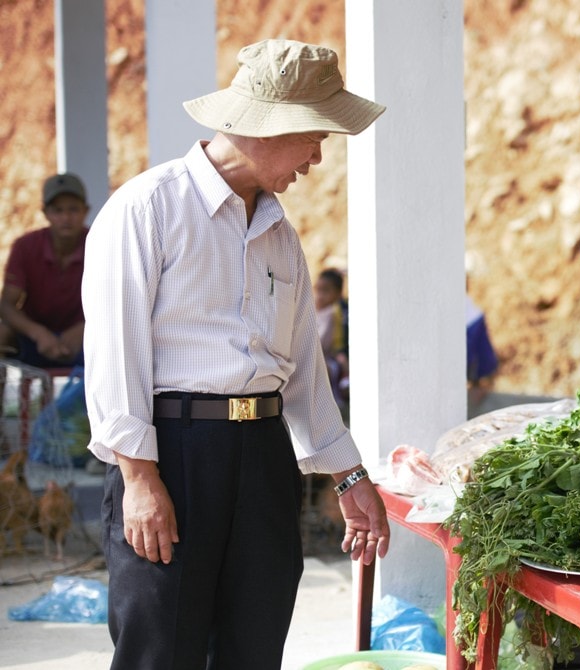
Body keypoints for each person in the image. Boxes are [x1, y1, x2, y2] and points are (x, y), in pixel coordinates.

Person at [81, 39, 391, 669]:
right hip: (171, 458)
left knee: (256, 643)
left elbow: (303, 376)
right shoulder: (147, 209)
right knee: (160, 649)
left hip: (263, 459)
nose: (318, 157)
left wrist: (349, 475)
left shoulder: (281, 237)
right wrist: (140, 479)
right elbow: (116, 358)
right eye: (316, 136)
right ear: (275, 127)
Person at [1, 173, 90, 368]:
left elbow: (116, 299)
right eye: (58, 210)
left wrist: (84, 329)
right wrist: (38, 333)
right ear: (45, 213)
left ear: (86, 211)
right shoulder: (25, 246)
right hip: (33, 338)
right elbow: (6, 305)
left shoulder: (99, 243)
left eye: (73, 209)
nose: (66, 218)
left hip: (86, 336)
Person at [314, 267, 349, 408]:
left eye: (326, 291)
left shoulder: (333, 313)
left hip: (332, 358)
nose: (320, 296)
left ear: (338, 293)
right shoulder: (316, 312)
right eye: (318, 290)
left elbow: (322, 343)